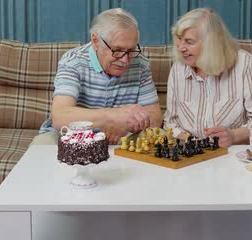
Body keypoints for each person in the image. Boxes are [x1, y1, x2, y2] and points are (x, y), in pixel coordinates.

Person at [32, 8, 163, 145]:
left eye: (130, 50)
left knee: (158, 137)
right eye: (117, 50)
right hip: (71, 136)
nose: (125, 60)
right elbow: (60, 117)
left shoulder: (140, 64)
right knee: (43, 144)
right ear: (95, 41)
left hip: (120, 137)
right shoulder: (73, 61)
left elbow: (155, 118)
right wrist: (115, 116)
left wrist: (125, 125)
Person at [163, 8, 252, 147]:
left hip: (233, 151)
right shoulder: (178, 68)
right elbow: (171, 122)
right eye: (179, 40)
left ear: (211, 43)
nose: (181, 48)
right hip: (191, 151)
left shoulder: (245, 64)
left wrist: (233, 136)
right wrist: (190, 141)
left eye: (189, 42)